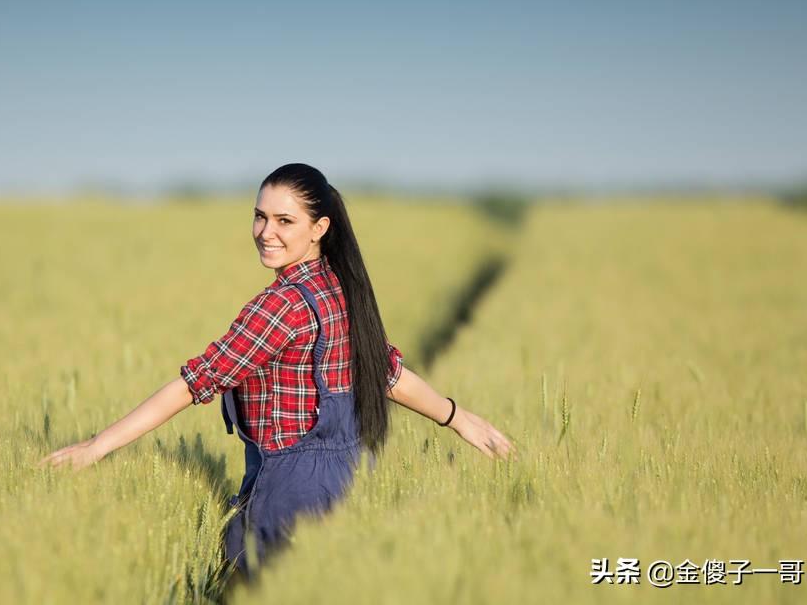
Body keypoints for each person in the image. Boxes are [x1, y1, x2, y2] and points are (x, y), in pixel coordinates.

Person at [38, 163, 517, 582]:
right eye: (260, 216)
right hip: (353, 485)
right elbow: (387, 374)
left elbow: (195, 384)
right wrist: (457, 418)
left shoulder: (280, 306)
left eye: (284, 220)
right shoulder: (340, 288)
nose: (266, 231)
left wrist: (97, 447)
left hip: (290, 497)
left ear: (319, 227)